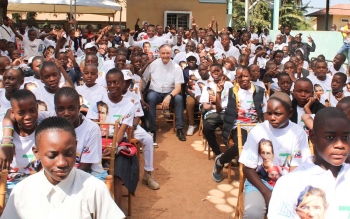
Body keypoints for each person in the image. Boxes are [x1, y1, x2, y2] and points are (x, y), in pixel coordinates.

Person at [1, 117, 125, 218]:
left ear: (76, 146)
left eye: (69, 153)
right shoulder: (22, 192)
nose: (61, 163)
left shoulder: (94, 189)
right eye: (52, 155)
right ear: (36, 153)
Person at [238, 92, 311, 218]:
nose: (272, 117)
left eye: (278, 114)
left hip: (289, 185)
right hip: (260, 184)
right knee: (253, 213)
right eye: (269, 113)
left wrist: (283, 192)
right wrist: (266, 192)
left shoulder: (298, 133)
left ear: (290, 113)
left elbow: (297, 169)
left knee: (304, 213)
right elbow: (247, 168)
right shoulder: (258, 131)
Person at [268, 107, 350, 219]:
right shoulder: (290, 183)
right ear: (313, 137)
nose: (340, 145)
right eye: (330, 137)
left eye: (345, 137)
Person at [86, 68, 138, 206]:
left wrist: (113, 146)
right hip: (96, 140)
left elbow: (122, 130)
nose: (112, 86)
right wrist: (99, 145)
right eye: (109, 83)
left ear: (123, 84)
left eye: (116, 82)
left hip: (118, 142)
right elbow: (91, 125)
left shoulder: (129, 105)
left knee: (117, 173)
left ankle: (117, 210)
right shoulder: (97, 101)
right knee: (86, 167)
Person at [213, 66, 266, 182]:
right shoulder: (232, 91)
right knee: (240, 146)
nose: (243, 79)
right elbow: (218, 109)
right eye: (240, 77)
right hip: (238, 124)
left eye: (246, 76)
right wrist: (218, 94)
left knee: (266, 145)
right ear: (236, 78)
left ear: (250, 76)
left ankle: (260, 171)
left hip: (256, 124)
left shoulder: (259, 91)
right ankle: (220, 161)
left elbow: (265, 111)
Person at [121, 70, 159, 190]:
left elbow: (138, 115)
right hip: (113, 127)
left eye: (128, 82)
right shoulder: (108, 95)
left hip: (131, 126)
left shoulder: (133, 96)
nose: (125, 84)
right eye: (123, 81)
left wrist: (133, 126)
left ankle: (148, 173)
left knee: (148, 139)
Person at [143, 44, 186, 142]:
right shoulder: (153, 64)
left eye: (167, 53)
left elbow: (178, 88)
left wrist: (169, 96)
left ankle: (179, 129)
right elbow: (145, 79)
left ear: (171, 54)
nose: (165, 55)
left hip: (170, 92)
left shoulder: (176, 67)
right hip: (155, 91)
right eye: (163, 53)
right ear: (159, 53)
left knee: (179, 99)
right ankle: (152, 129)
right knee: (150, 98)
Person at [201, 64, 233, 158]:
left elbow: (232, 102)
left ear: (222, 72)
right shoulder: (207, 86)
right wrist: (220, 106)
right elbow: (206, 106)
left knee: (234, 127)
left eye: (218, 71)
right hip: (213, 114)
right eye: (213, 71)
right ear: (210, 73)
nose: (215, 73)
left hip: (228, 113)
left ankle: (232, 154)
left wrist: (217, 103)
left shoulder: (229, 85)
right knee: (207, 128)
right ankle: (218, 153)